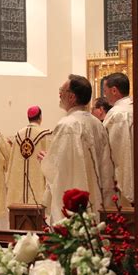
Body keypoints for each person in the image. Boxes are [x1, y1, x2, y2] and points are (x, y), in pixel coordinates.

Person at [39, 74, 115, 223]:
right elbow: (106, 166)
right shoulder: (97, 124)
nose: (59, 94)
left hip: (74, 198)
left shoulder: (67, 125)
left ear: (72, 97)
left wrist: (46, 160)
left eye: (62, 90)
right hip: (96, 198)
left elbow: (60, 169)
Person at [6, 106, 52, 206]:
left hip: (19, 189)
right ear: (40, 117)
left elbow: (11, 162)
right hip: (38, 187)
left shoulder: (18, 135)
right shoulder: (45, 135)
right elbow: (51, 162)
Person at [103, 72, 133, 206]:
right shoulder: (136, 108)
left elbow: (109, 150)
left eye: (105, 91)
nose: (105, 95)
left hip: (121, 180)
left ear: (114, 90)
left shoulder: (116, 114)